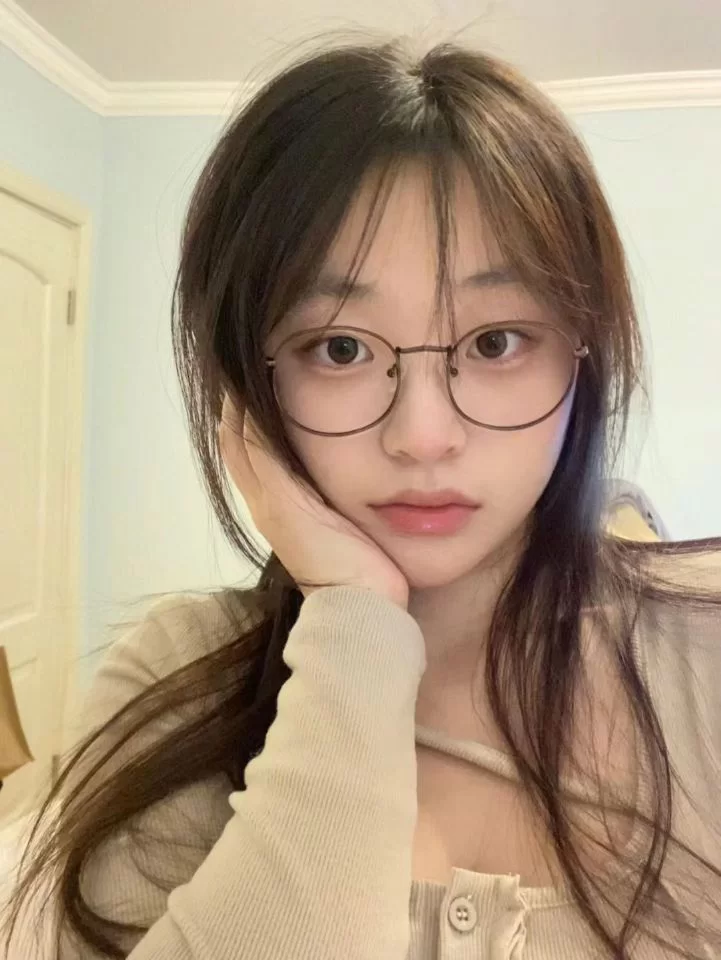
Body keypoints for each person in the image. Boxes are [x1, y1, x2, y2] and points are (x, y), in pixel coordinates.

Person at [3, 32, 721, 960]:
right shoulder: (177, 676)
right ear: (248, 384)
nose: (422, 434)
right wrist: (356, 629)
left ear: (583, 358)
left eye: (496, 341)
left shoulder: (701, 654)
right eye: (338, 348)